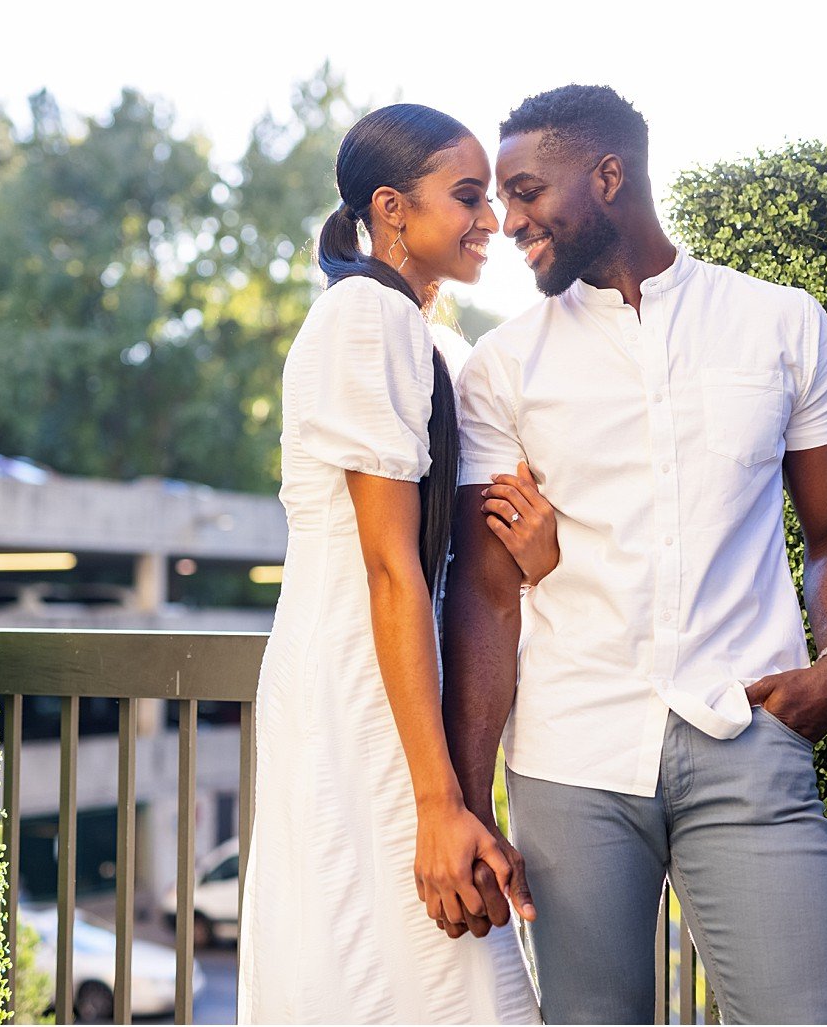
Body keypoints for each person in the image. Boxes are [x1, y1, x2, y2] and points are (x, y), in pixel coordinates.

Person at [441, 85, 827, 1025]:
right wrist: (470, 798)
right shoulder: (503, 368)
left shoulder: (780, 324)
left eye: (525, 190)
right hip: (572, 755)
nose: (505, 219)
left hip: (747, 733)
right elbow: (485, 593)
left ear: (609, 176)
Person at [237, 104, 554, 1024]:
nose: (490, 219)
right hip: (363, 686)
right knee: (407, 956)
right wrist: (436, 796)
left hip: (383, 677)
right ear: (392, 208)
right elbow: (388, 569)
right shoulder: (366, 318)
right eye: (467, 197)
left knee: (406, 962)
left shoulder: (416, 333)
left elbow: (447, 552)